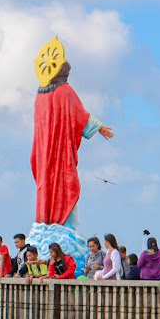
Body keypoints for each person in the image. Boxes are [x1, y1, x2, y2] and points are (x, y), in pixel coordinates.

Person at [30, 37, 114, 229]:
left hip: (44, 157)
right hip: (59, 155)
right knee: (64, 185)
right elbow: (79, 115)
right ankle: (65, 226)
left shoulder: (39, 97)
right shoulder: (65, 92)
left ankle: (48, 221)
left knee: (47, 185)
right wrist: (99, 127)